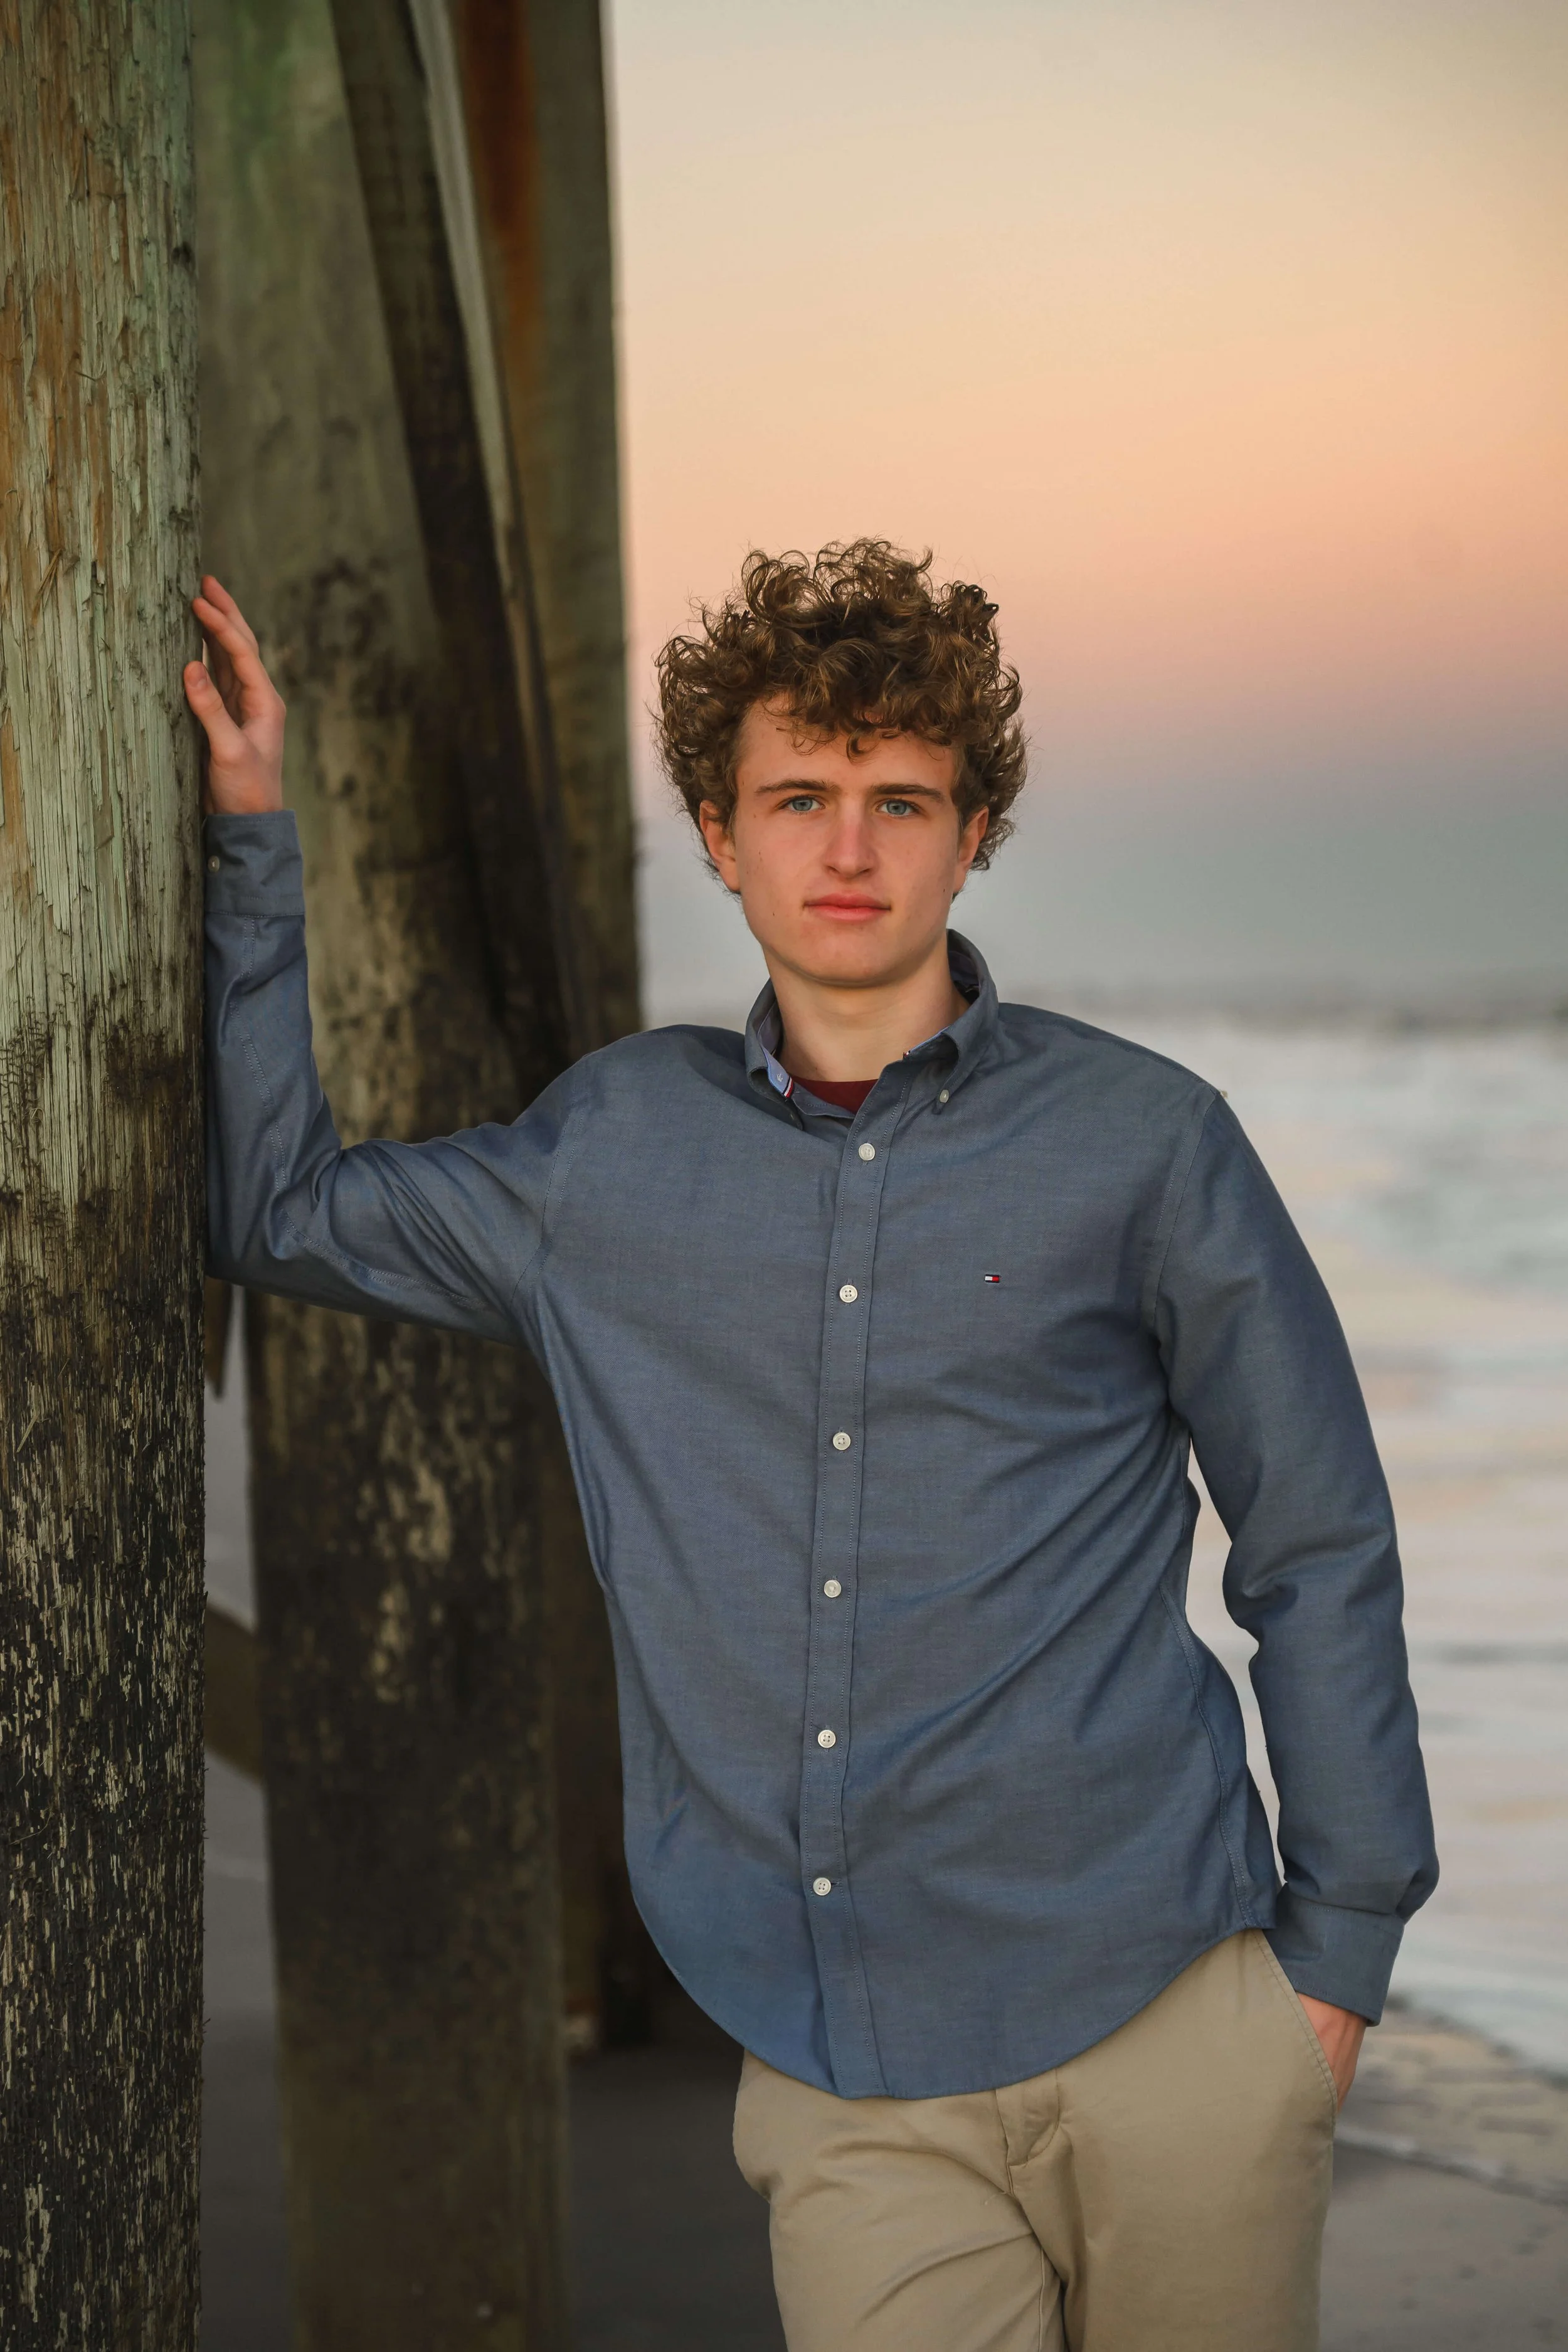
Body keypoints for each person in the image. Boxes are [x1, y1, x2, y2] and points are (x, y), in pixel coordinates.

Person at [187, 541, 1436, 2351]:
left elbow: (1315, 1541)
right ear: (715, 826)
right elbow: (279, 1206)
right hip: (840, 2065)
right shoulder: (602, 1158)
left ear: (972, 825)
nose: (846, 850)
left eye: (898, 799)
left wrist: (1338, 1953)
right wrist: (251, 836)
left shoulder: (1147, 1146)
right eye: (796, 795)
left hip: (1172, 2011)